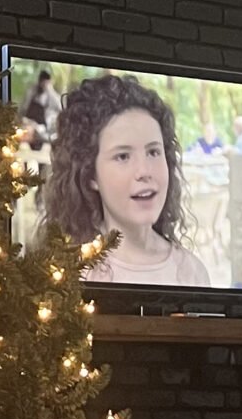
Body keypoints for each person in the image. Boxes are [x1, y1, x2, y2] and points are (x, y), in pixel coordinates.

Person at [39, 73, 213, 287]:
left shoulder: (191, 273)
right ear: (90, 175)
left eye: (153, 152)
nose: (143, 171)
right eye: (123, 156)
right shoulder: (71, 273)